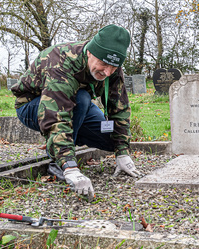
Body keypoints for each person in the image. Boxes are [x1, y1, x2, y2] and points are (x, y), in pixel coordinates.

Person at [12, 24, 142, 200]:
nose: (107, 72)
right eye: (103, 64)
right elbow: (56, 116)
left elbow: (119, 108)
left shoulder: (112, 69)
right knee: (81, 98)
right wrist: (69, 165)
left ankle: (63, 139)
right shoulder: (60, 62)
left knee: (111, 139)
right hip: (33, 107)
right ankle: (58, 160)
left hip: (77, 108)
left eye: (113, 67)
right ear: (90, 52)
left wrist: (122, 152)